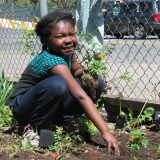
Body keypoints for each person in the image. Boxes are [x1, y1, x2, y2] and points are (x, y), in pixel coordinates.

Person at [7, 9, 120, 155]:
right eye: (60, 36)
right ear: (47, 40)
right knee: (58, 85)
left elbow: (77, 70)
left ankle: (65, 121)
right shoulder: (50, 59)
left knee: (95, 82)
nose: (68, 40)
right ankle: (32, 128)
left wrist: (89, 77)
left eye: (72, 34)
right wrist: (106, 132)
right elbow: (80, 96)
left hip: (45, 99)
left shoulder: (65, 51)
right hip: (23, 106)